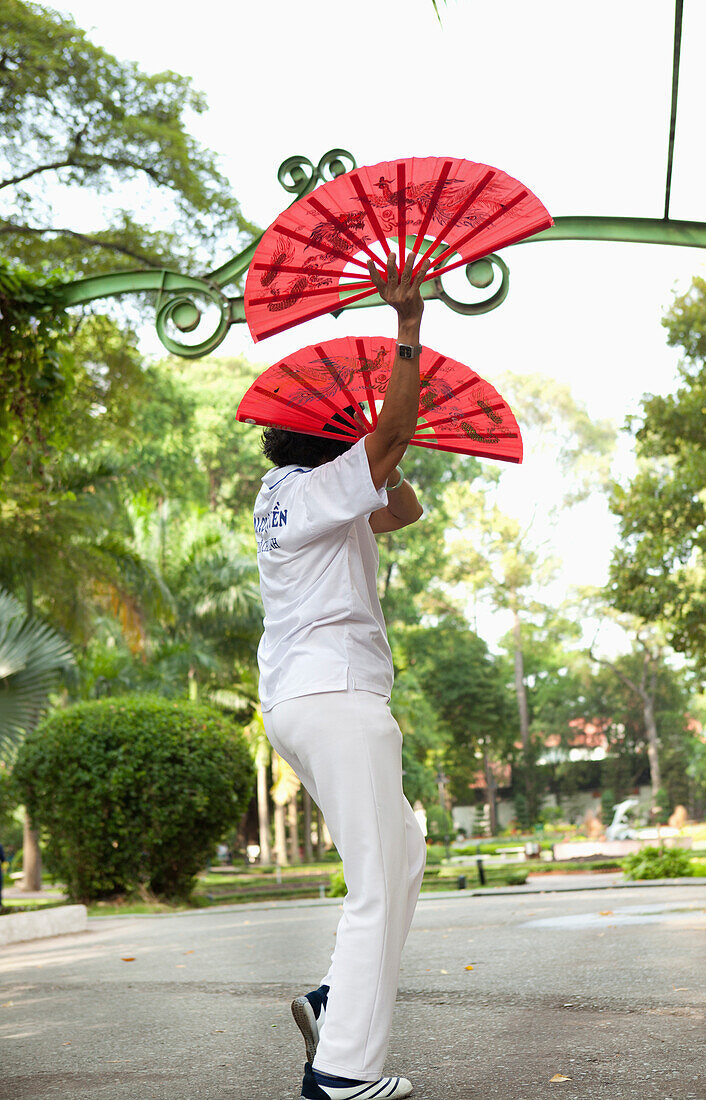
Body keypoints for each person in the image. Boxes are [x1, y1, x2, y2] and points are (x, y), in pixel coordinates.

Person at [253, 253, 428, 1100]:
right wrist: (408, 329)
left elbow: (403, 508)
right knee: (374, 882)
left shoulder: (291, 494)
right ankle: (341, 1076)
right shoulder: (317, 489)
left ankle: (333, 1002)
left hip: (301, 700)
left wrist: (385, 449)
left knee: (405, 847)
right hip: (338, 697)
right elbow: (385, 450)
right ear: (330, 436)